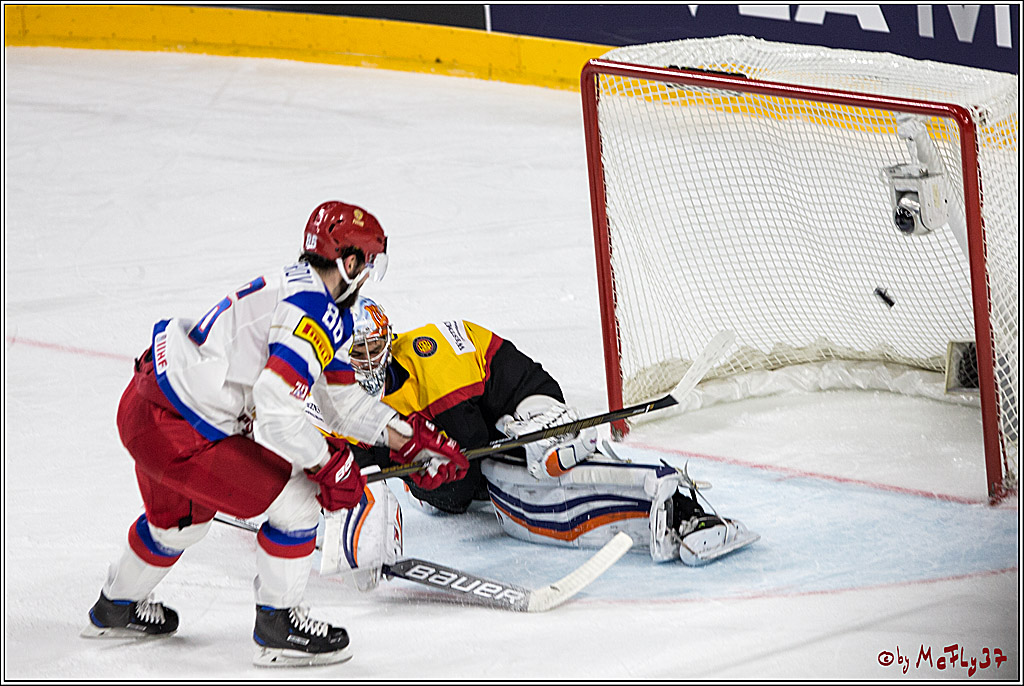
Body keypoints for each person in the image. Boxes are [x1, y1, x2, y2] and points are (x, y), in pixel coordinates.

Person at [83, 202, 469, 668]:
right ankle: (279, 626)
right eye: (368, 264)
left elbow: (340, 401)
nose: (368, 275)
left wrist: (406, 437)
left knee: (178, 524)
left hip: (147, 407)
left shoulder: (309, 295)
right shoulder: (314, 309)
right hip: (181, 428)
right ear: (348, 262)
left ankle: (115, 607)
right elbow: (274, 406)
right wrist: (329, 464)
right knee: (301, 500)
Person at [308, 296, 758, 571]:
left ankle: (671, 503)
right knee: (514, 489)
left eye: (371, 347)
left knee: (541, 457)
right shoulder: (334, 399)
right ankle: (652, 505)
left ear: (389, 340)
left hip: (508, 405)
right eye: (354, 351)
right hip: (468, 473)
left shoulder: (430, 352)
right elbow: (348, 471)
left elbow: (489, 406)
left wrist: (533, 429)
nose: (364, 360)